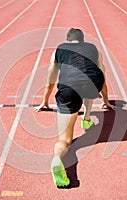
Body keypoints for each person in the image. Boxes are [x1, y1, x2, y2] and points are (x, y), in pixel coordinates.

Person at [34, 28, 115, 187]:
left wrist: (45, 101)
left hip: (68, 89)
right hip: (93, 84)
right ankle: (86, 118)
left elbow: (50, 79)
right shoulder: (93, 49)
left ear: (67, 40)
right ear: (82, 40)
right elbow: (102, 76)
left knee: (64, 141)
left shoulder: (59, 49)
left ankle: (57, 159)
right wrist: (105, 99)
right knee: (89, 82)